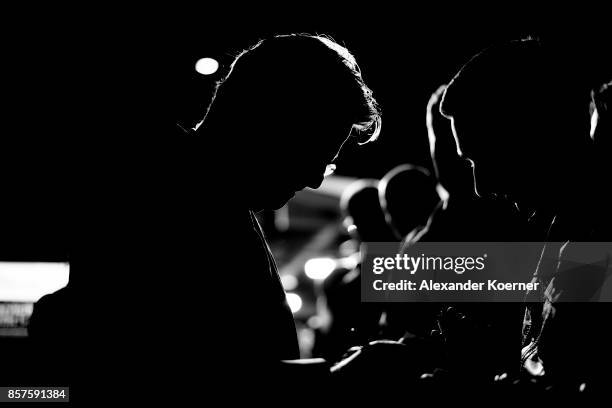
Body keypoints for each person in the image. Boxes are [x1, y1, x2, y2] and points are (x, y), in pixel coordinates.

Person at [199, 34, 381, 368]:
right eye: (314, 155)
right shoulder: (187, 211)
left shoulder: (212, 200)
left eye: (326, 165)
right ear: (270, 121)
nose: (314, 179)